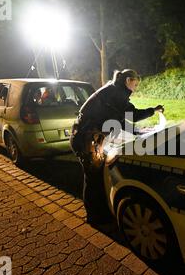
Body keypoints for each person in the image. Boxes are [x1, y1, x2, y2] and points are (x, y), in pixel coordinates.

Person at [70, 69, 164, 224]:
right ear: (128, 81)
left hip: (85, 136)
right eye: (135, 84)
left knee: (95, 177)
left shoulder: (113, 90)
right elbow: (132, 115)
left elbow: (119, 120)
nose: (135, 88)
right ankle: (95, 218)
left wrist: (139, 131)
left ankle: (99, 213)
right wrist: (153, 110)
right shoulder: (117, 94)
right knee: (93, 179)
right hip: (85, 139)